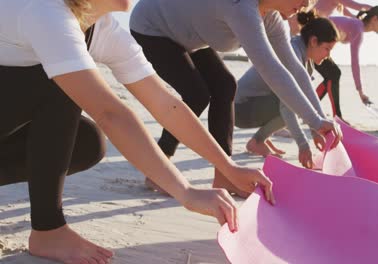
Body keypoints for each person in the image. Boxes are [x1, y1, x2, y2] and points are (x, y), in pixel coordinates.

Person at [0, 0, 275, 263]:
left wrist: (228, 167)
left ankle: (48, 230)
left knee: (87, 143)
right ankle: (48, 230)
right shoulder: (46, 12)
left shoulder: (101, 28)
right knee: (68, 82)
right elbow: (111, 114)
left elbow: (164, 103)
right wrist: (185, 192)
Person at [130, 0, 343, 192]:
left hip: (189, 36)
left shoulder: (272, 18)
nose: (306, 4)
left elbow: (296, 71)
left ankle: (224, 177)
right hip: (153, 26)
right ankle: (157, 169)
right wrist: (313, 120)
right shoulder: (240, 8)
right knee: (196, 94)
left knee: (224, 86)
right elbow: (272, 70)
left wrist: (318, 120)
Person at [235, 11, 338, 168]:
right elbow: (289, 106)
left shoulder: (305, 59)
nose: (328, 55)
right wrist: (303, 145)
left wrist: (317, 131)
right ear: (313, 41)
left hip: (254, 103)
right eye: (327, 49)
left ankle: (259, 139)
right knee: (293, 102)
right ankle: (257, 141)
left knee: (297, 101)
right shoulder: (292, 52)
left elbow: (308, 96)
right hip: (238, 108)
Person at [290, 6, 378, 119]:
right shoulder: (358, 28)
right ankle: (335, 116)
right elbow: (354, 60)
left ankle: (308, 109)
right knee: (334, 73)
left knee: (333, 74)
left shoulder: (356, 24)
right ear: (375, 19)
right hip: (313, 44)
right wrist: (360, 91)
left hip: (315, 43)